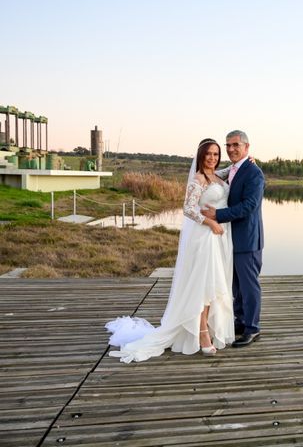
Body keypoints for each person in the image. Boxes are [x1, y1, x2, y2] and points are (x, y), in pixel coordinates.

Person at [106, 138, 235, 363]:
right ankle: (202, 332)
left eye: (216, 154)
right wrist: (211, 223)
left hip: (217, 240)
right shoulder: (198, 179)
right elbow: (187, 209)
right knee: (203, 286)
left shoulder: (217, 176)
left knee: (212, 284)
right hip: (203, 237)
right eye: (208, 154)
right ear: (201, 155)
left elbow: (229, 169)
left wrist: (245, 161)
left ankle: (205, 328)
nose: (212, 158)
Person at [203, 130, 265, 347]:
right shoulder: (235, 169)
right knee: (236, 285)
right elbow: (209, 171)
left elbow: (249, 207)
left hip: (247, 239)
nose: (231, 149)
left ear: (247, 147)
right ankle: (241, 320)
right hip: (230, 238)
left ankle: (252, 328)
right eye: (228, 145)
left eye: (235, 145)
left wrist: (217, 215)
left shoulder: (254, 173)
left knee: (249, 286)